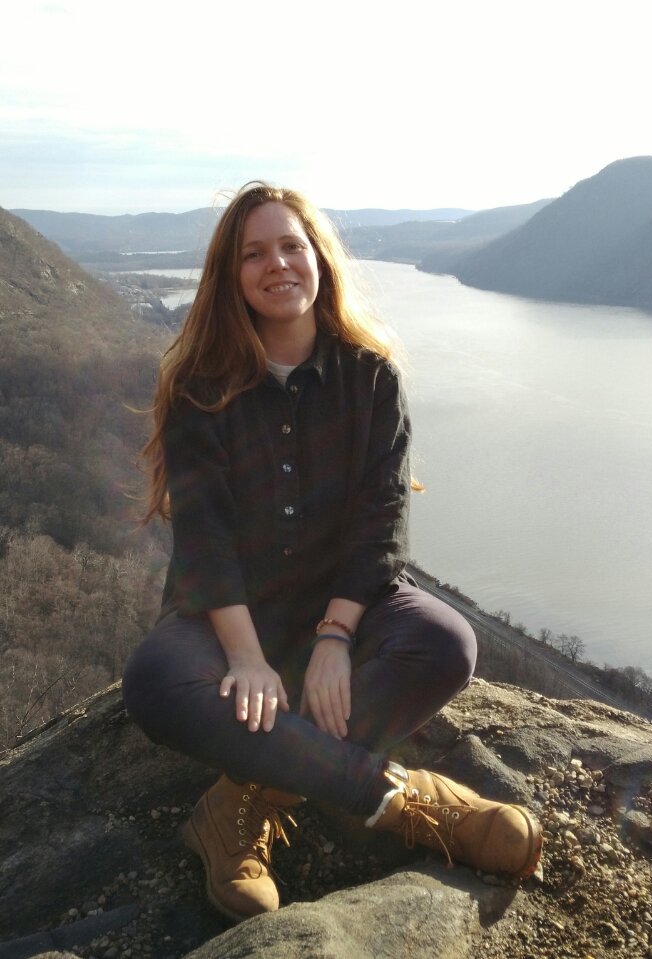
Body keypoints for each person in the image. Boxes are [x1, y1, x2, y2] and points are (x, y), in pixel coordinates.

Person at [122, 181, 542, 923]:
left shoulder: (370, 377)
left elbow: (381, 523)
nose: (277, 264)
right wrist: (247, 659)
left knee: (446, 642)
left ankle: (244, 797)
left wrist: (334, 635)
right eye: (253, 253)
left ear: (319, 259)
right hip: (228, 617)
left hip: (345, 603)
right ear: (231, 276)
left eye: (292, 245)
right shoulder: (200, 388)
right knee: (156, 681)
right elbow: (205, 540)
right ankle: (400, 799)